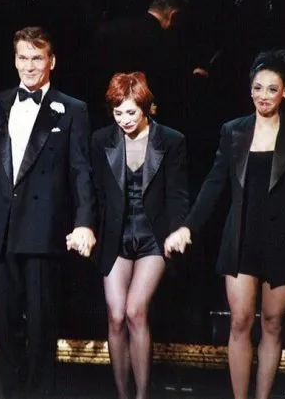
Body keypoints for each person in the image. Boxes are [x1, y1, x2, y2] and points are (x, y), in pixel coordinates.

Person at [165, 50, 285, 399]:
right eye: (258, 88)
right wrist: (188, 227)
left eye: (272, 89)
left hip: (282, 241)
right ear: (250, 89)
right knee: (239, 322)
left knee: (272, 324)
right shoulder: (233, 131)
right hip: (241, 238)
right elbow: (214, 184)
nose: (263, 95)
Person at [0, 26, 96, 399]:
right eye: (22, 57)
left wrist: (84, 221)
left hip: (43, 226)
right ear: (14, 60)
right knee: (2, 321)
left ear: (52, 61)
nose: (29, 66)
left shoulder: (72, 109)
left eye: (36, 58)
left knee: (41, 325)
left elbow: (81, 170)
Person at [80, 72, 188, 399]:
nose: (124, 119)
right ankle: (122, 394)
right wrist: (85, 226)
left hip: (153, 235)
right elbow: (94, 192)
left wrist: (178, 230)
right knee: (115, 315)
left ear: (146, 107)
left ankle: (143, 395)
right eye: (118, 112)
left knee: (135, 311)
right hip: (116, 235)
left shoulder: (171, 140)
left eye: (131, 112)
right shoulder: (102, 140)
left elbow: (178, 195)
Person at [86, 0, 208, 129]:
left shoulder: (109, 28)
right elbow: (170, 89)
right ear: (174, 16)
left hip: (102, 118)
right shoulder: (163, 41)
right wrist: (196, 79)